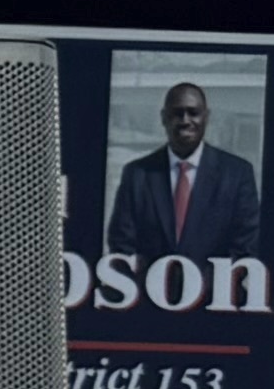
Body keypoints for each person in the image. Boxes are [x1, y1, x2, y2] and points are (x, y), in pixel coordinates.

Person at [109, 77, 260, 267]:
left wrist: (201, 289)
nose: (185, 120)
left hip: (216, 294)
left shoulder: (237, 174)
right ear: (164, 118)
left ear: (206, 117)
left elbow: (245, 245)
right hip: (149, 292)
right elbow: (122, 245)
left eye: (193, 113)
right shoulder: (137, 174)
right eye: (177, 113)